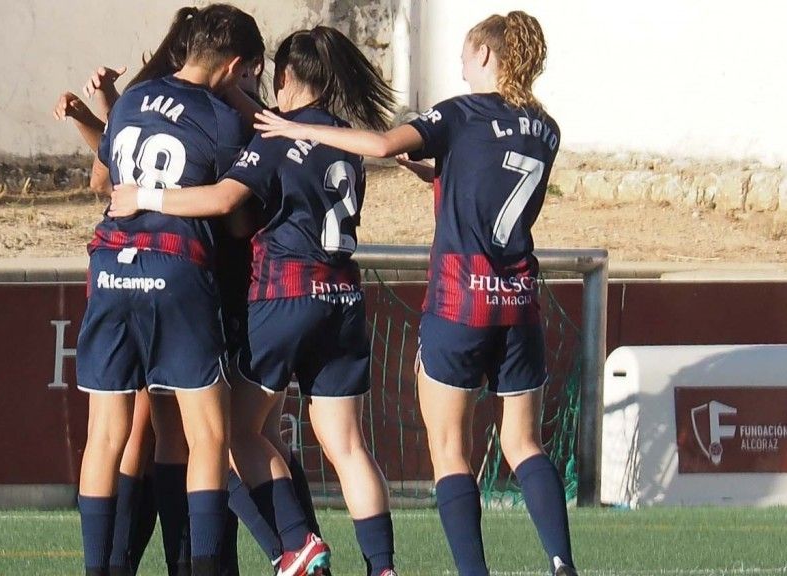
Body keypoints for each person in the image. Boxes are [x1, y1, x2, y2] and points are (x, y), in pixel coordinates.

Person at [251, 11, 579, 576]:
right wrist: (433, 172)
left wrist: (299, 128)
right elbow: (489, 186)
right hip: (520, 298)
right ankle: (560, 562)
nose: (459, 63)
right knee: (524, 443)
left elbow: (378, 143)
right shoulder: (545, 127)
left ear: (483, 55)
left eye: (464, 53)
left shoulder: (460, 111)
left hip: (460, 300)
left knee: (450, 450)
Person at [109, 26, 399, 576]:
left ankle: (296, 542)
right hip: (342, 299)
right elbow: (274, 122)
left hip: (285, 296)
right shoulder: (343, 139)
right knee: (348, 445)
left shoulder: (275, 137)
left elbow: (224, 199)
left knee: (230, 432)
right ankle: (382, 567)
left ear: (286, 78)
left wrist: (145, 195)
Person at [73, 5, 264, 576]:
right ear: (234, 67)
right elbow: (234, 222)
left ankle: (99, 567)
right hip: (177, 270)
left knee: (105, 436)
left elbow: (104, 177)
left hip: (110, 268)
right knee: (208, 435)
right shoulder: (224, 118)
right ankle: (202, 565)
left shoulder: (133, 99)